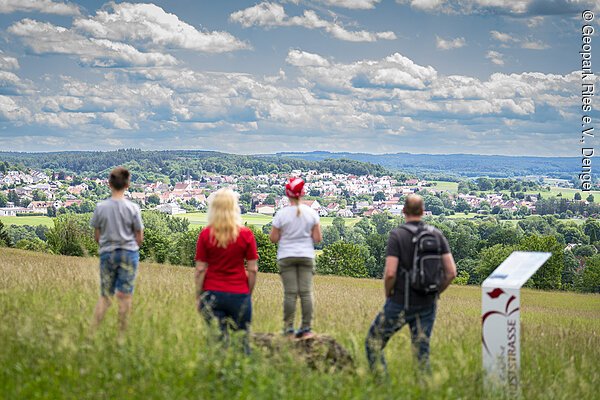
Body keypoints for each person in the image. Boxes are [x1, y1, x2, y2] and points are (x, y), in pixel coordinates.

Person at [365, 194, 456, 374]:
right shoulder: (436, 234)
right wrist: (436, 293)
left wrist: (389, 294)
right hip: (427, 302)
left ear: (404, 210)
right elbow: (451, 272)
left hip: (401, 300)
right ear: (422, 211)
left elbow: (390, 273)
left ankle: (381, 383)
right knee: (421, 352)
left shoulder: (397, 235)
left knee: (373, 342)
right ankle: (424, 386)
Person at [195, 188, 259, 353]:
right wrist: (248, 293)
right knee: (242, 344)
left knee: (217, 344)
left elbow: (200, 269)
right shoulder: (246, 234)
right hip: (239, 294)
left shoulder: (206, 234)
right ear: (234, 207)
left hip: (212, 294)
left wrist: (199, 296)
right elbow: (253, 269)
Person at [90, 167, 144, 333]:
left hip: (107, 253)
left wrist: (106, 245)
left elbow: (97, 236)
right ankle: (121, 335)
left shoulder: (101, 207)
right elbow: (139, 237)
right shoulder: (133, 208)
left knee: (105, 296)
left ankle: (91, 332)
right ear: (127, 185)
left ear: (109, 184)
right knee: (125, 296)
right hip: (128, 253)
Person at [270, 177, 322, 339]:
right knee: (306, 293)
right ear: (303, 193)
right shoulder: (311, 213)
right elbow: (317, 238)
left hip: (286, 256)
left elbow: (273, 238)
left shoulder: (281, 214)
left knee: (290, 294)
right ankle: (306, 328)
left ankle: (288, 329)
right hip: (306, 255)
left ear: (287, 194)